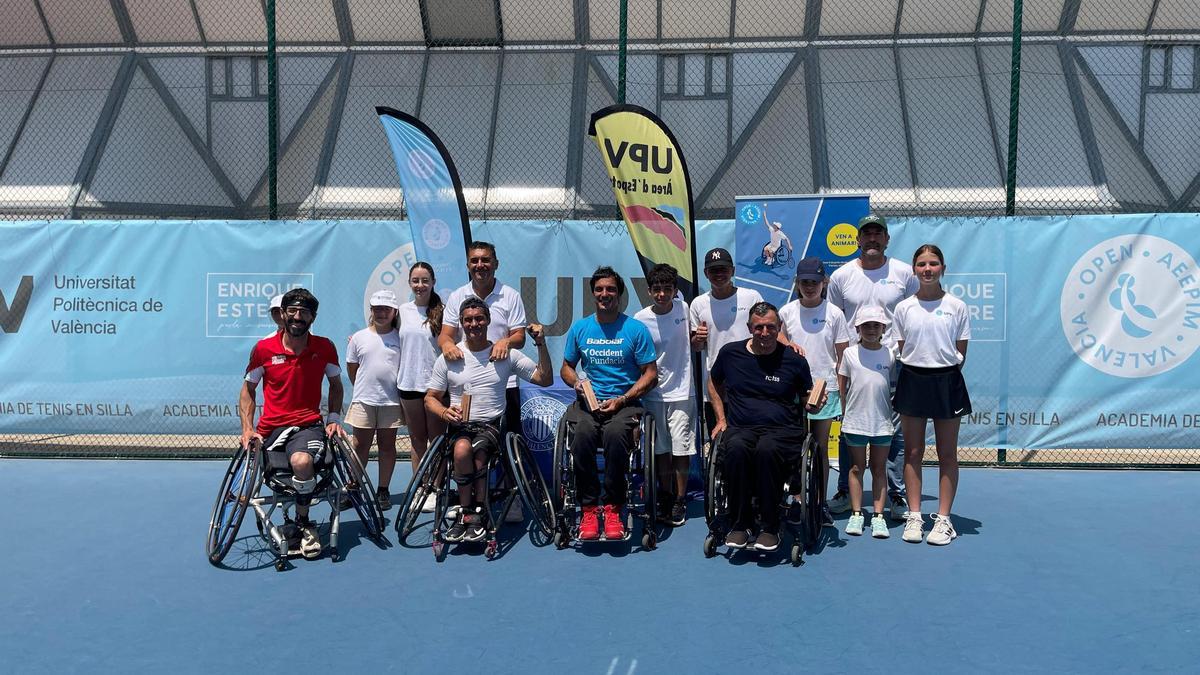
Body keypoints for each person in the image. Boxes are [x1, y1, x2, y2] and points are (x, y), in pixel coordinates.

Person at [424, 298, 553, 543]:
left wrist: (540, 343)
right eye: (468, 320)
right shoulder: (449, 357)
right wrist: (443, 412)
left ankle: (480, 511)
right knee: (461, 449)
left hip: (492, 426)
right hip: (460, 425)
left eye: (479, 319)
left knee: (479, 452)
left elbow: (544, 379)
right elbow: (430, 398)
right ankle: (467, 511)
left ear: (488, 321)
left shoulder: (506, 355)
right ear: (461, 324)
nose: (474, 324)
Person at [239, 288, 347, 560]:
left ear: (313, 317)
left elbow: (335, 385)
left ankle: (303, 522)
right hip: (271, 430)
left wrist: (334, 418)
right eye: (293, 311)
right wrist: (247, 429)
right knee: (269, 476)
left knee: (301, 462)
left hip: (307, 425)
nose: (298, 317)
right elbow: (248, 390)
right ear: (283, 314)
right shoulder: (263, 349)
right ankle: (295, 510)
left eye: (305, 313)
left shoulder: (324, 347)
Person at [708, 301, 824, 552]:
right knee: (736, 448)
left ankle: (770, 526)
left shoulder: (794, 360)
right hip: (742, 428)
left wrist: (815, 404)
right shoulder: (730, 353)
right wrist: (720, 418)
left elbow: (807, 399)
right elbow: (713, 382)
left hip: (783, 431)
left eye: (771, 327)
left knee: (767, 450)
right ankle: (741, 523)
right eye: (758, 327)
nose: (764, 333)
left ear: (779, 327)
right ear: (749, 327)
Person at [827, 214, 918, 521]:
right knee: (847, 430)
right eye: (867, 234)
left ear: (887, 240)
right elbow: (835, 322)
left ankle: (895, 494)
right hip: (855, 365)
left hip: (895, 364)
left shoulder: (904, 273)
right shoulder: (841, 277)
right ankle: (843, 490)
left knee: (894, 432)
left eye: (878, 234)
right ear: (858, 240)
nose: (872, 239)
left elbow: (915, 316)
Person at [561, 267, 658, 541]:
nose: (605, 294)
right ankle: (589, 508)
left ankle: (614, 508)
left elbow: (650, 373)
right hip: (588, 403)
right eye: (600, 289)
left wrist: (623, 398)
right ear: (593, 293)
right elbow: (567, 367)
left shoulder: (635, 329)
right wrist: (577, 383)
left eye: (611, 290)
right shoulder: (580, 328)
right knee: (581, 435)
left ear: (620, 295)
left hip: (624, 402)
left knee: (616, 435)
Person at [439, 241, 528, 522]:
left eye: (485, 260)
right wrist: (446, 347)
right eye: (475, 261)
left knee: (509, 447)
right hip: (467, 387)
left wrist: (504, 341)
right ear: (468, 265)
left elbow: (520, 337)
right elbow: (445, 335)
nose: (480, 265)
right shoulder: (457, 297)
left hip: (504, 384)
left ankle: (512, 496)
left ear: (496, 263)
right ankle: (470, 502)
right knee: (465, 447)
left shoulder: (510, 295)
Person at [893, 244, 971, 546]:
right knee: (912, 452)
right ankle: (915, 516)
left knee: (946, 454)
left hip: (946, 381)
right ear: (914, 269)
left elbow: (960, 352)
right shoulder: (903, 308)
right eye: (922, 264)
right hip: (912, 379)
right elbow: (902, 348)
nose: (927, 269)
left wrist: (940, 369)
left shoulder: (957, 306)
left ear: (943, 268)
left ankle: (944, 519)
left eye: (933, 264)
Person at [779, 257, 849, 528]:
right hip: (793, 391)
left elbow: (843, 358)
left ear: (824, 283)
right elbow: (776, 339)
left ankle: (818, 503)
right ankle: (797, 500)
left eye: (815, 282)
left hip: (826, 391)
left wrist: (843, 396)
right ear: (797, 283)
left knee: (819, 450)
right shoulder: (786, 312)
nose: (810, 287)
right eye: (804, 282)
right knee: (794, 447)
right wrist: (787, 342)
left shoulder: (835, 314)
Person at [633, 263, 695, 527]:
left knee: (681, 449)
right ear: (649, 291)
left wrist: (698, 338)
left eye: (667, 289)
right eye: (657, 289)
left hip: (683, 393)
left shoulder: (685, 309)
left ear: (675, 291)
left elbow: (695, 339)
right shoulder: (639, 319)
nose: (662, 294)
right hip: (653, 394)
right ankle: (666, 496)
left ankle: (681, 499)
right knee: (660, 450)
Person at [836, 305, 897, 539]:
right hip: (855, 423)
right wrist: (844, 415)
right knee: (856, 468)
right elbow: (842, 387)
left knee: (879, 468)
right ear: (858, 328)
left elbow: (890, 386)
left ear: (883, 328)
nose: (871, 329)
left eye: (876, 325)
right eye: (866, 325)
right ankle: (857, 513)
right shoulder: (849, 354)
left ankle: (879, 517)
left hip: (882, 423)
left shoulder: (890, 354)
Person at [689, 247, 763, 435]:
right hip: (716, 386)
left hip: (750, 381)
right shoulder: (698, 303)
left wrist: (788, 344)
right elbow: (696, 347)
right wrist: (698, 338)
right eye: (714, 270)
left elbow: (767, 329)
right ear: (706, 273)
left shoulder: (751, 296)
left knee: (751, 438)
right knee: (720, 440)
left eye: (723, 269)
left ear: (733, 271)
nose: (719, 274)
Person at [345, 290, 403, 510]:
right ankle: (354, 488)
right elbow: (353, 369)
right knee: (360, 446)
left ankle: (383, 490)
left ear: (394, 311)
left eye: (386, 309)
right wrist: (365, 389)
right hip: (363, 401)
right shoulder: (359, 337)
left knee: (387, 447)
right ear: (371, 310)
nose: (381, 313)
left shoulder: (400, 337)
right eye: (377, 309)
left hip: (391, 402)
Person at [397, 262, 446, 512]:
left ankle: (436, 489)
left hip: (435, 388)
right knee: (417, 440)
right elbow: (385, 337)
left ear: (433, 282)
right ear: (409, 283)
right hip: (408, 385)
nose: (420, 285)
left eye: (425, 280)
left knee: (436, 440)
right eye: (415, 280)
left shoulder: (443, 312)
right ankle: (420, 487)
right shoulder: (401, 311)